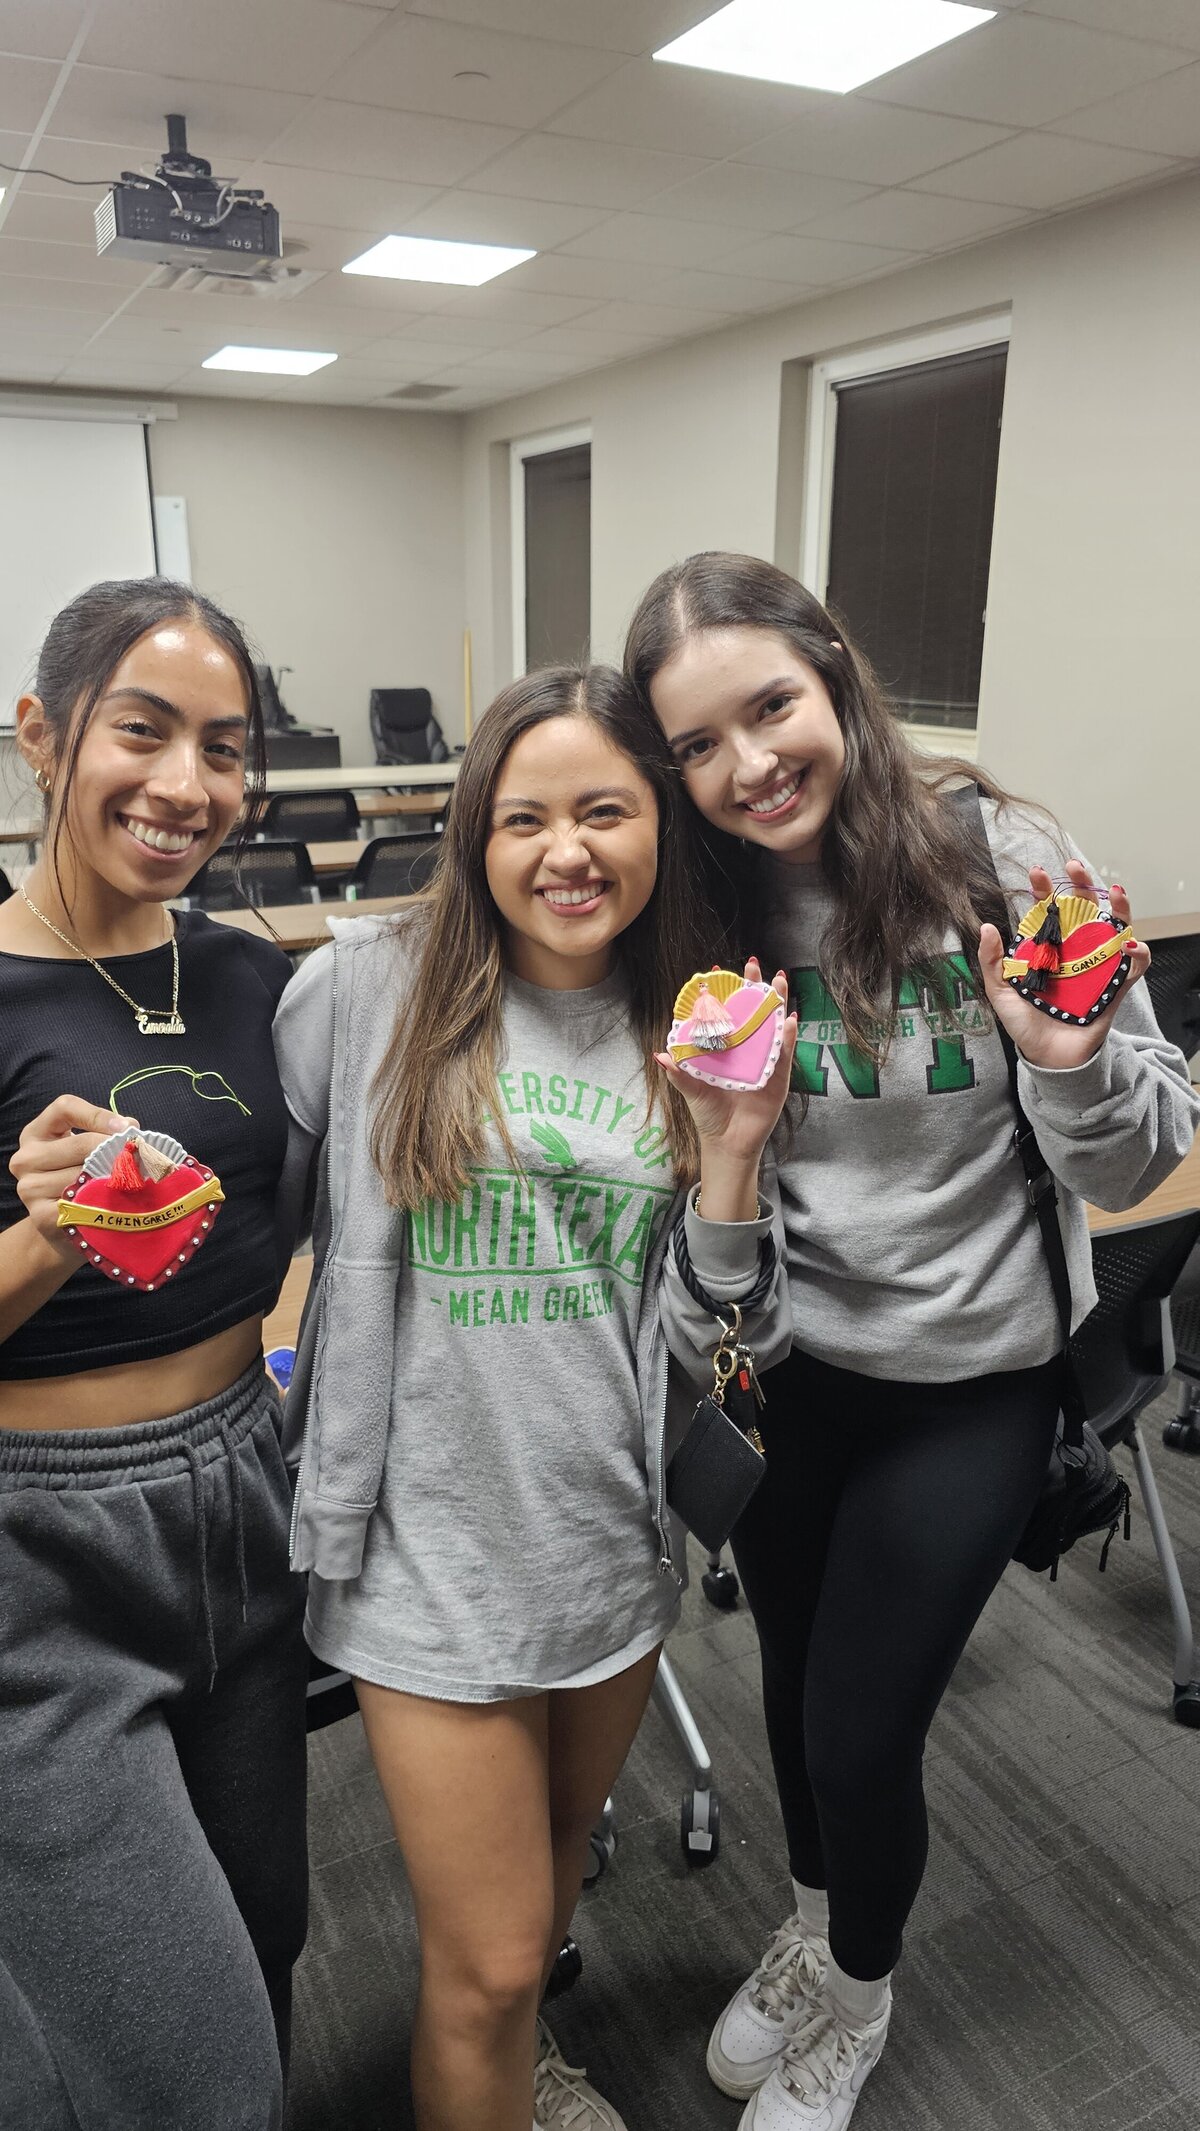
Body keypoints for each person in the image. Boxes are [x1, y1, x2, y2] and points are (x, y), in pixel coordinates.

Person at [624, 551, 1200, 2131]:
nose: (747, 766)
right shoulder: (695, 904)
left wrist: (1070, 1068)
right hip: (793, 1384)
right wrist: (729, 1164)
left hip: (976, 1388)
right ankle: (818, 1929)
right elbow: (711, 1264)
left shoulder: (995, 853)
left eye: (771, 707)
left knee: (862, 1729)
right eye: (695, 745)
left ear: (831, 669)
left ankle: (859, 1996)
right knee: (797, 1699)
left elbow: (1144, 1158)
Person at [272, 663, 796, 2131]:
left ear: (659, 829)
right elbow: (258, 1234)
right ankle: (503, 2052)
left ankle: (514, 2072)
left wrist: (737, 1154)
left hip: (606, 1542)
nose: (567, 850)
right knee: (495, 1956)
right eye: (525, 817)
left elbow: (730, 1334)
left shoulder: (692, 1023)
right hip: (422, 1547)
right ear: (475, 836)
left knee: (548, 1895)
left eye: (605, 811)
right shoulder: (363, 990)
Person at [0, 580, 309, 2131]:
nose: (188, 786)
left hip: (248, 1504)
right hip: (40, 1558)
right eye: (145, 729)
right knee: (193, 2071)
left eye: (228, 748)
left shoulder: (259, 979)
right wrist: (47, 1236)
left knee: (267, 1943)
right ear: (42, 736)